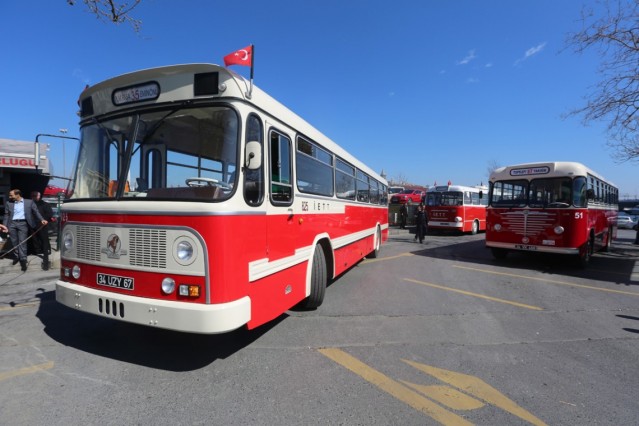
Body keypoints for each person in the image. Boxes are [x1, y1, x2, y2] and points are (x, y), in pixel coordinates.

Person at [3, 189, 48, 271]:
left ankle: (23, 259)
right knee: (14, 241)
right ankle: (17, 256)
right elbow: (6, 215)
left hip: (23, 224)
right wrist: (5, 226)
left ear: (17, 195)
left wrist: (42, 219)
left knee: (22, 241)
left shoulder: (29, 202)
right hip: (12, 224)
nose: (9, 197)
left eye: (11, 195)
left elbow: (36, 212)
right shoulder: (8, 203)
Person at [30, 191, 54, 270]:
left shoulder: (45, 204)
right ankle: (37, 250)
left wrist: (44, 220)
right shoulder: (30, 204)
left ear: (39, 196)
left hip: (42, 224)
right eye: (33, 195)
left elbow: (49, 214)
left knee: (44, 241)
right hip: (33, 224)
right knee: (35, 240)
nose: (34, 197)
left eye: (35, 195)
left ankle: (46, 262)